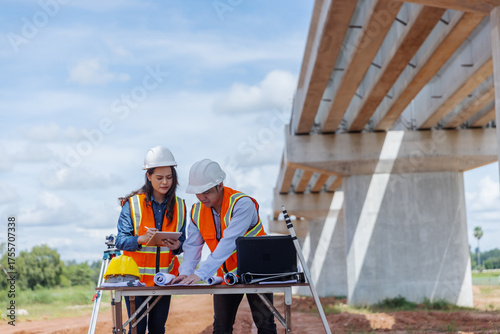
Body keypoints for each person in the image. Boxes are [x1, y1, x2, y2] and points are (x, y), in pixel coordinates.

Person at [171, 159, 277, 334]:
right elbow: (192, 246)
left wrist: (200, 273)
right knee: (221, 327)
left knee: (265, 326)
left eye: (206, 192)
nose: (201, 197)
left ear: (219, 185)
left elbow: (229, 242)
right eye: (197, 193)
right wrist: (185, 273)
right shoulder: (197, 211)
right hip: (226, 275)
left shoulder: (242, 204)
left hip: (256, 273)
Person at [115, 146, 187, 334]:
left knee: (157, 329)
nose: (165, 182)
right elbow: (120, 241)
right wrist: (140, 239)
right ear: (148, 176)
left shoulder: (180, 206)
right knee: (137, 329)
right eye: (159, 178)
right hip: (135, 281)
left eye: (169, 177)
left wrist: (178, 245)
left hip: (164, 280)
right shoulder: (132, 205)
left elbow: (184, 243)